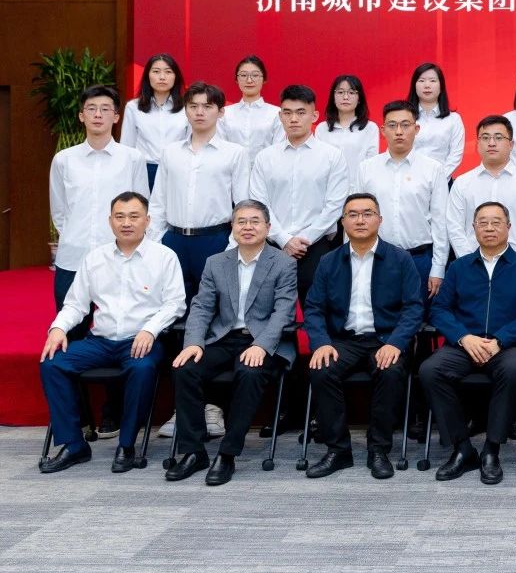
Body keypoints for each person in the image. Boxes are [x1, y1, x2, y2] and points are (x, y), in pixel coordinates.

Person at [37, 192, 185, 474]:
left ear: (147, 221)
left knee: (142, 369)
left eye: (134, 216)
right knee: (52, 363)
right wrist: (58, 328)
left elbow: (175, 304)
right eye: (120, 217)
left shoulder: (164, 257)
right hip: (101, 341)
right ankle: (74, 444)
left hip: (141, 340)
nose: (126, 223)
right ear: (110, 221)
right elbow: (76, 304)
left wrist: (150, 329)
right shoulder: (95, 258)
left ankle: (127, 445)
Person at [163, 199, 298, 486]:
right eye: (241, 221)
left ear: (268, 227)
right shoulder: (216, 262)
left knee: (250, 372)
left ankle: (227, 453)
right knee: (185, 368)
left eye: (255, 221)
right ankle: (193, 451)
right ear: (232, 227)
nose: (248, 227)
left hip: (263, 340)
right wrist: (194, 342)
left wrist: (261, 345)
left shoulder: (283, 263)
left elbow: (284, 311)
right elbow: (201, 307)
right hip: (224, 338)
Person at [48, 85, 148, 440]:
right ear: (81, 115)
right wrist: (77, 239)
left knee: (118, 332)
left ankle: (111, 414)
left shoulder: (132, 158)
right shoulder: (64, 160)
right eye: (91, 108)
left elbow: (141, 207)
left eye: (106, 109)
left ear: (117, 116)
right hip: (73, 258)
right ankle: (80, 418)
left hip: (119, 258)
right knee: (71, 337)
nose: (98, 115)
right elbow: (60, 211)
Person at [422, 202, 516, 485]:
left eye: (496, 222)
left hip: (507, 347)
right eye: (483, 223)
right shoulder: (459, 267)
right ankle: (462, 448)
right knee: (430, 370)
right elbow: (439, 310)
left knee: (514, 369)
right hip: (464, 345)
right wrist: (464, 337)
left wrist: (500, 340)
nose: (489, 228)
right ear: (474, 228)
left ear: (509, 227)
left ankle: (492, 449)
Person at [302, 193, 424, 479]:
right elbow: (314, 308)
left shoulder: (400, 259)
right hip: (343, 341)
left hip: (385, 339)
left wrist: (396, 343)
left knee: (390, 371)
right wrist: (321, 343)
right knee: (321, 369)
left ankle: (378, 450)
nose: (360, 220)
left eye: (367, 213)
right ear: (343, 222)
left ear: (379, 220)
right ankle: (338, 450)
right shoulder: (329, 261)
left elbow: (414, 307)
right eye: (353, 214)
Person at [148, 82, 250, 302]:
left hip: (215, 240)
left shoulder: (235, 153)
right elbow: (158, 202)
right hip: (173, 240)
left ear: (221, 112)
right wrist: (156, 242)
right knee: (173, 306)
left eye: (207, 106)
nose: (199, 112)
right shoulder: (170, 152)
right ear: (186, 111)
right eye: (193, 106)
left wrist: (232, 245)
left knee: (214, 306)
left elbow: (243, 205)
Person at [249, 84, 347, 306]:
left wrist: (303, 240)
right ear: (280, 116)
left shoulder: (332, 156)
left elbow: (335, 205)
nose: (293, 119)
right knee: (269, 311)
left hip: (316, 246)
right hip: (273, 244)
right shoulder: (265, 157)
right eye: (287, 112)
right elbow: (259, 204)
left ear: (315, 116)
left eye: (301, 112)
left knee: (318, 311)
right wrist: (284, 239)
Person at [355, 101, 449, 303]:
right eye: (392, 125)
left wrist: (438, 267)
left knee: (420, 317)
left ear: (416, 129)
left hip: (419, 259)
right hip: (375, 258)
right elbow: (354, 218)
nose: (399, 131)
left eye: (405, 125)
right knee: (377, 317)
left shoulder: (433, 169)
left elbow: (440, 221)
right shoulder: (366, 168)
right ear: (383, 130)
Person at [447, 115, 516, 259]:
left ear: (511, 144)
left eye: (498, 137)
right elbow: (455, 228)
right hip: (471, 263)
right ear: (477, 144)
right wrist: (469, 262)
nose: (491, 143)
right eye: (485, 138)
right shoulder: (462, 183)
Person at [120, 53, 189, 187]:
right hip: (144, 170)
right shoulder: (133, 107)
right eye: (156, 71)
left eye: (168, 72)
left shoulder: (187, 107)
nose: (162, 77)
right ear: (147, 76)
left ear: (176, 77)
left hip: (177, 170)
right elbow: (127, 146)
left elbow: (191, 143)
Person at [314, 74, 379, 192]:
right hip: (327, 191)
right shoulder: (322, 129)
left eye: (351, 92)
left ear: (359, 98)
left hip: (359, 192)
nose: (345, 97)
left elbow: (372, 164)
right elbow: (318, 164)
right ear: (333, 97)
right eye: (340, 92)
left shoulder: (370, 128)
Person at [218, 55, 283, 164]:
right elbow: (221, 149)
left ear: (264, 79)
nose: (249, 80)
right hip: (231, 171)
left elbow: (278, 150)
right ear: (237, 80)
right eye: (243, 75)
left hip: (265, 171)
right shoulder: (224, 113)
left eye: (255, 75)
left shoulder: (276, 113)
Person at [407, 62, 464, 176]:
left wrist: (439, 179)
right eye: (421, 81)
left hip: (442, 179)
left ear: (441, 86)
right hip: (408, 178)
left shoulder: (453, 119)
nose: (427, 85)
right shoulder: (405, 118)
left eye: (432, 81)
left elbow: (455, 155)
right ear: (414, 85)